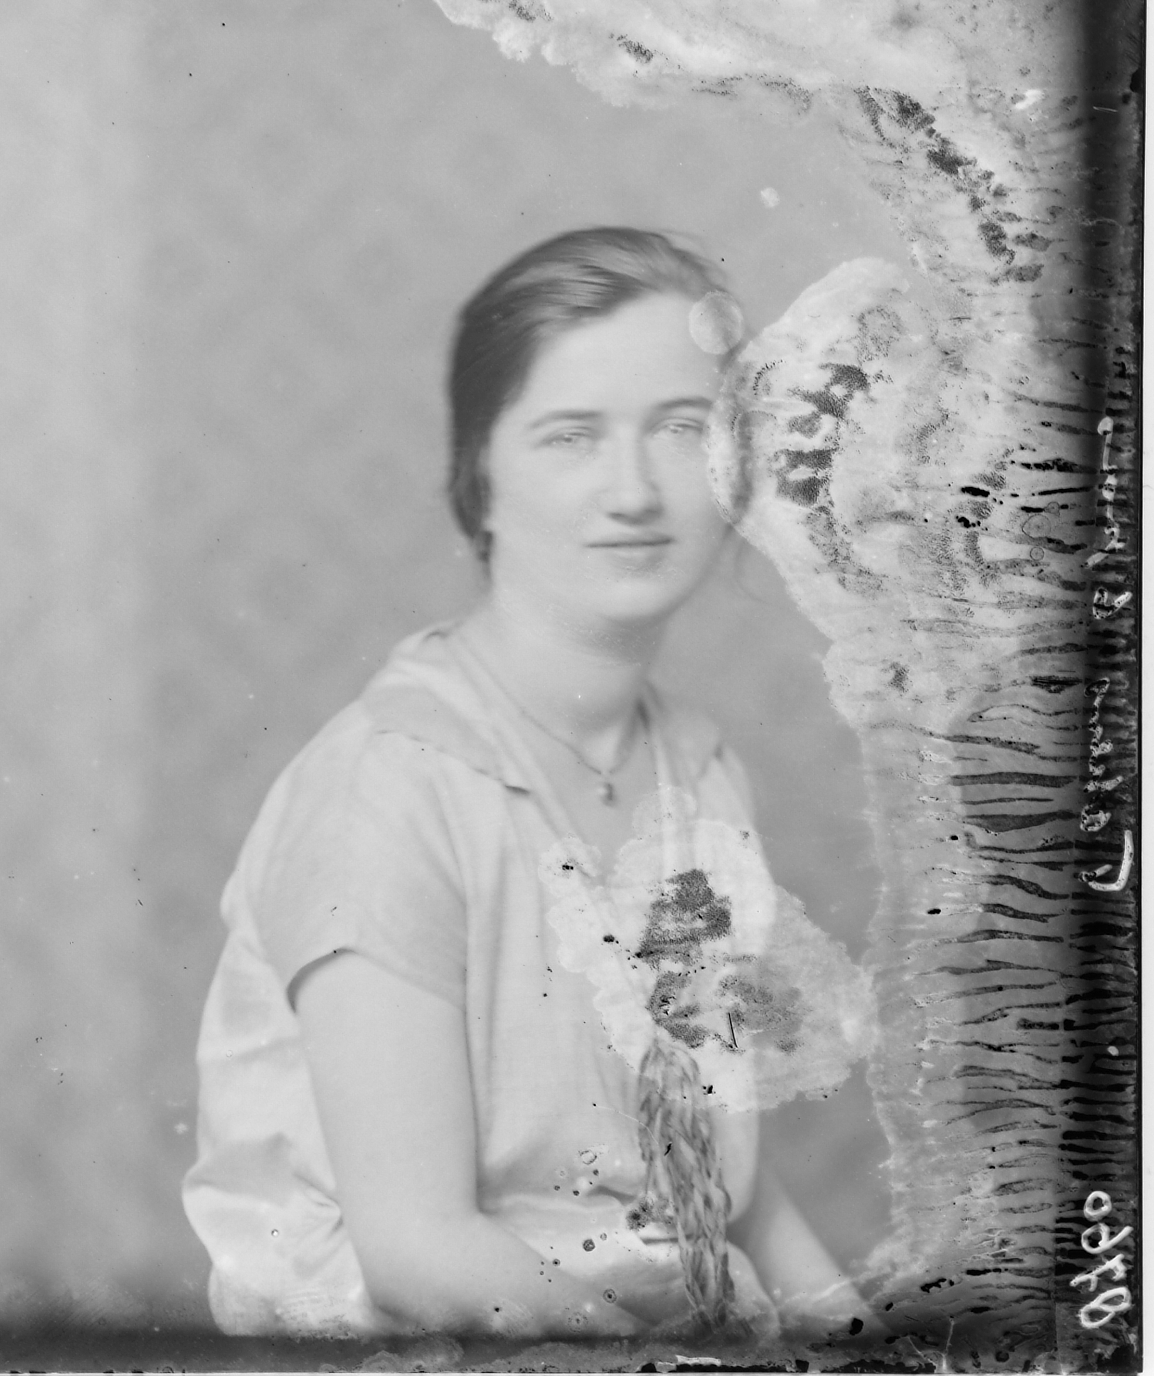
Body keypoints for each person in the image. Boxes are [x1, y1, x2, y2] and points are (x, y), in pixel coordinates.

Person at [182, 228, 875, 1343]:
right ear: (481, 478)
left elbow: (721, 1191)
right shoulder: (389, 787)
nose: (634, 491)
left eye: (681, 427)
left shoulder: (697, 773)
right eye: (571, 436)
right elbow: (421, 1256)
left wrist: (869, 1351)